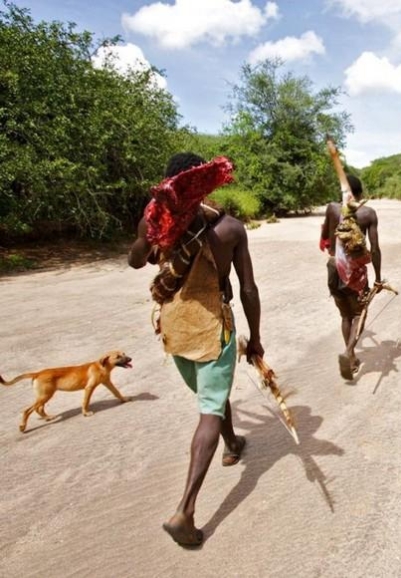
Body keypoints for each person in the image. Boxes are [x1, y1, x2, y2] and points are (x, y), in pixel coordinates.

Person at [128, 152, 264, 547]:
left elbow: (137, 261)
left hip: (173, 325)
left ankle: (232, 444)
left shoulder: (157, 221)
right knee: (209, 408)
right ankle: (184, 512)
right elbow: (248, 290)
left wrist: (145, 235)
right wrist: (254, 337)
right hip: (211, 328)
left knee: (210, 395)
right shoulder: (231, 229)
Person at [320, 174, 381, 380]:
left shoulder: (331, 208)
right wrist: (378, 277)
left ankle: (353, 356)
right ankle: (348, 352)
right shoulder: (368, 213)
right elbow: (375, 250)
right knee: (358, 315)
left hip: (333, 268)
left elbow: (326, 239)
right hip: (354, 273)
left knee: (345, 315)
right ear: (360, 192)